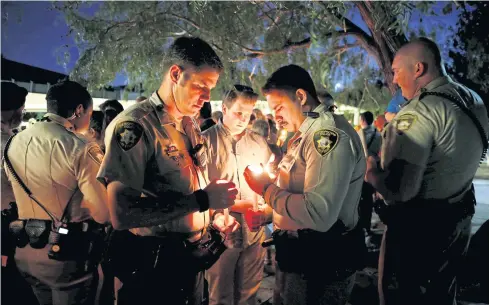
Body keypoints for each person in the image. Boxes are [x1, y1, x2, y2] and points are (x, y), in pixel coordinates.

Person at [97, 37, 239, 305]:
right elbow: (122, 214)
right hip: (154, 267)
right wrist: (202, 201)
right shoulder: (136, 126)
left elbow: (189, 186)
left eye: (211, 88)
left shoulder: (189, 124)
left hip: (191, 260)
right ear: (176, 74)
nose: (208, 97)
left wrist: (215, 217)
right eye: (201, 86)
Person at [365, 37, 489, 305]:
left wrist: (372, 173)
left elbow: (401, 191)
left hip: (419, 233)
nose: (395, 81)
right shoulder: (473, 99)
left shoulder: (421, 111)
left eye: (397, 71)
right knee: (443, 295)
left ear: (418, 69)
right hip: (458, 219)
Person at [244, 65, 367, 305]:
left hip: (321, 265)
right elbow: (298, 192)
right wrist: (271, 214)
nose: (275, 116)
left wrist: (267, 190)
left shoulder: (327, 136)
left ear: (300, 96)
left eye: (279, 107)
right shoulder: (304, 135)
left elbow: (318, 213)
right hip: (298, 258)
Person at [3, 80, 110, 305]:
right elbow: (102, 214)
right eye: (89, 114)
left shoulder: (14, 141)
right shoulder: (80, 147)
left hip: (25, 250)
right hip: (67, 256)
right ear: (79, 110)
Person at [203, 84, 273, 305]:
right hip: (220, 235)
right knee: (220, 296)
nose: (244, 119)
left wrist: (265, 209)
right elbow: (198, 190)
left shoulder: (259, 143)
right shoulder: (205, 142)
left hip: (254, 234)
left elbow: (269, 183)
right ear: (224, 108)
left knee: (249, 295)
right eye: (238, 113)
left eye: (249, 114)